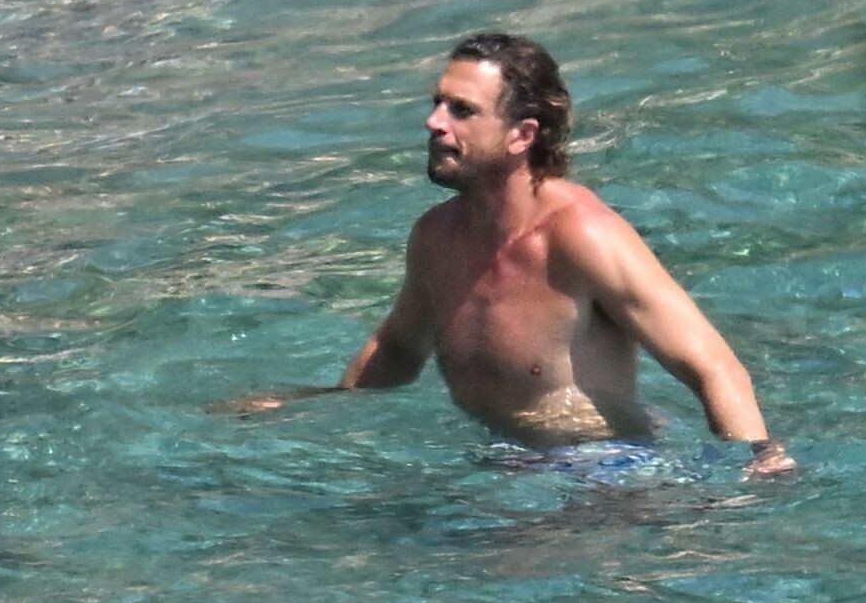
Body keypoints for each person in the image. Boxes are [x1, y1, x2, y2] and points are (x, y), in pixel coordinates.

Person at [249, 33, 794, 478]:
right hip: (498, 462)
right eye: (437, 103)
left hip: (604, 473)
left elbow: (712, 365)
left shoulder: (583, 237)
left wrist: (757, 461)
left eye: (462, 111)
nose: (434, 122)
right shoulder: (436, 238)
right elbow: (398, 349)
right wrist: (309, 405)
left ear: (521, 135)